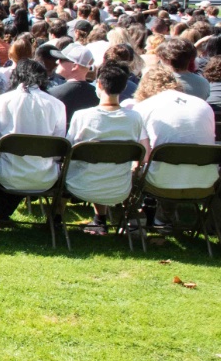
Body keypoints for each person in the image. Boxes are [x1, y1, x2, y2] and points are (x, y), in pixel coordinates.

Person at [129, 66, 217, 231]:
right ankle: (165, 219)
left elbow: (144, 156)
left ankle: (134, 222)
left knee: (135, 167)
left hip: (161, 182)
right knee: (173, 163)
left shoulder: (143, 107)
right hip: (205, 183)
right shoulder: (203, 105)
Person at [64, 64, 145, 236]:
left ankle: (56, 219)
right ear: (123, 87)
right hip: (119, 188)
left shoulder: (82, 115)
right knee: (105, 162)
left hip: (79, 185)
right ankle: (99, 218)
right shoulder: (135, 118)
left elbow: (67, 149)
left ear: (99, 84)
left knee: (81, 164)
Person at [0, 60, 67, 223]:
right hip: (46, 177)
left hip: (7, 174)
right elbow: (60, 145)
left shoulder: (0, 101)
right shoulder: (57, 105)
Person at [47, 43, 98, 123]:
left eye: (61, 59)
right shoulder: (98, 95)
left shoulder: (51, 94)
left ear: (74, 66)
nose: (57, 62)